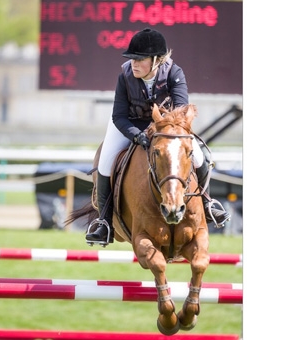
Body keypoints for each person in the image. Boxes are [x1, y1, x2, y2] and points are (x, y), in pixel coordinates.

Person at [85, 28, 230, 245]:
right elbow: (119, 116)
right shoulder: (124, 75)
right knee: (105, 163)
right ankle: (104, 222)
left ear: (156, 60)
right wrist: (138, 136)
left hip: (166, 126)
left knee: (202, 157)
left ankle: (208, 203)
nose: (134, 64)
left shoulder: (174, 73)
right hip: (129, 124)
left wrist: (161, 130)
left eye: (140, 59)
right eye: (132, 59)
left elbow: (181, 111)